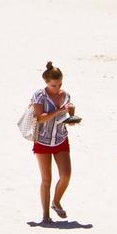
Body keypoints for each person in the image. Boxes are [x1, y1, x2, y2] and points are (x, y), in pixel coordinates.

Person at [30, 60, 79, 223]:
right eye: (54, 85)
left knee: (66, 175)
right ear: (47, 83)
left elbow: (69, 121)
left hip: (60, 138)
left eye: (60, 84)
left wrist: (72, 116)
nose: (58, 88)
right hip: (42, 140)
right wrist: (59, 111)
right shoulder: (39, 95)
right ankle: (45, 216)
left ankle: (56, 202)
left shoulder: (66, 95)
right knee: (47, 179)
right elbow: (39, 118)